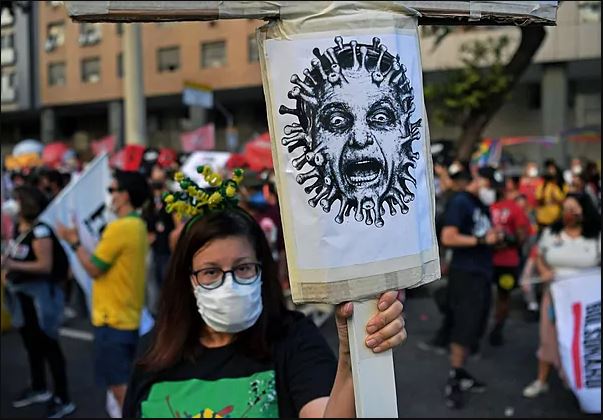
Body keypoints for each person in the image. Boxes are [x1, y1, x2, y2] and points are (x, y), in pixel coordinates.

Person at [122, 168, 406, 418]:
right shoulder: (154, 351)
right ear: (188, 280)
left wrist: (352, 355)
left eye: (243, 268)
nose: (229, 284)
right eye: (210, 272)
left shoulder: (292, 340)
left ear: (262, 269)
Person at [56, 169, 150, 414]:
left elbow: (94, 269)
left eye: (113, 190)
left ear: (125, 195)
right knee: (127, 384)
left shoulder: (120, 228)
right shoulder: (137, 225)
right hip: (127, 316)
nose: (110, 195)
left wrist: (73, 241)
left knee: (121, 389)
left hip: (112, 319)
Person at [1, 185, 75, 418]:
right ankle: (39, 387)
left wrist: (13, 266)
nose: (12, 204)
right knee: (31, 344)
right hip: (22, 298)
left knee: (48, 345)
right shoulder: (18, 227)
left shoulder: (41, 231)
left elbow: (45, 265)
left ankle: (63, 397)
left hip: (40, 300)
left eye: (17, 200)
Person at [522, 193, 601, 398]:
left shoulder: (595, 235)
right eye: (566, 209)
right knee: (549, 337)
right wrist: (544, 270)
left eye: (574, 209)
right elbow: (540, 255)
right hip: (557, 296)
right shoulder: (551, 232)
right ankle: (542, 380)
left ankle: (583, 380)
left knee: (586, 339)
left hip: (588, 300)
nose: (569, 213)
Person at [439, 165, 502, 409]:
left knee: (475, 324)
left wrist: (493, 238)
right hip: (466, 275)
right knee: (464, 325)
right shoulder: (461, 202)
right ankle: (454, 377)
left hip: (482, 273)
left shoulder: (480, 205)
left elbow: (482, 233)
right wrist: (481, 240)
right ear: (478, 180)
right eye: (489, 185)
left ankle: (461, 371)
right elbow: (448, 237)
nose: (491, 191)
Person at [487, 173, 531, 346]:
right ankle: (491, 327)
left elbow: (522, 236)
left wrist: (505, 242)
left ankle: (497, 328)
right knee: (491, 297)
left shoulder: (514, 208)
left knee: (503, 297)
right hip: (488, 261)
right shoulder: (486, 207)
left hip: (506, 262)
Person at [143, 165, 176, 291]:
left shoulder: (172, 199)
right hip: (154, 251)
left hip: (167, 250)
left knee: (167, 285)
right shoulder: (149, 202)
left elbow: (177, 223)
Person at [535, 160, 566, 232]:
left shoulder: (561, 186)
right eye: (548, 169)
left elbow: (562, 200)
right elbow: (538, 199)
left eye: (552, 169)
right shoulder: (541, 187)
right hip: (542, 220)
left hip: (556, 219)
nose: (550, 171)